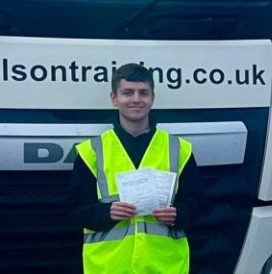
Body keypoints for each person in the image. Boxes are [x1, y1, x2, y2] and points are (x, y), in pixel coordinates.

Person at [68, 63, 202, 274]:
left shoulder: (179, 149)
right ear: (114, 98)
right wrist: (106, 212)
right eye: (128, 92)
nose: (136, 99)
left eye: (143, 93)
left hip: (164, 264)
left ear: (152, 98)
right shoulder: (91, 151)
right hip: (109, 265)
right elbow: (74, 209)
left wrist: (178, 214)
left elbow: (197, 203)